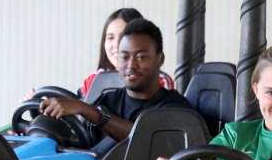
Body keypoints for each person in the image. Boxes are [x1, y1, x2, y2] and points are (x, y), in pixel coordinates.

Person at [38, 18, 193, 156]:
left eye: (141, 57)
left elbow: (146, 139)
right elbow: (81, 139)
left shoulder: (175, 108)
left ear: (160, 59)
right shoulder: (108, 100)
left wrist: (89, 111)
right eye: (124, 57)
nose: (131, 65)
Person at [22, 8, 175, 102]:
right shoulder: (94, 80)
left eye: (122, 38)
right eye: (110, 37)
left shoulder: (158, 81)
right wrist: (45, 105)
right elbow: (78, 114)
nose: (116, 45)